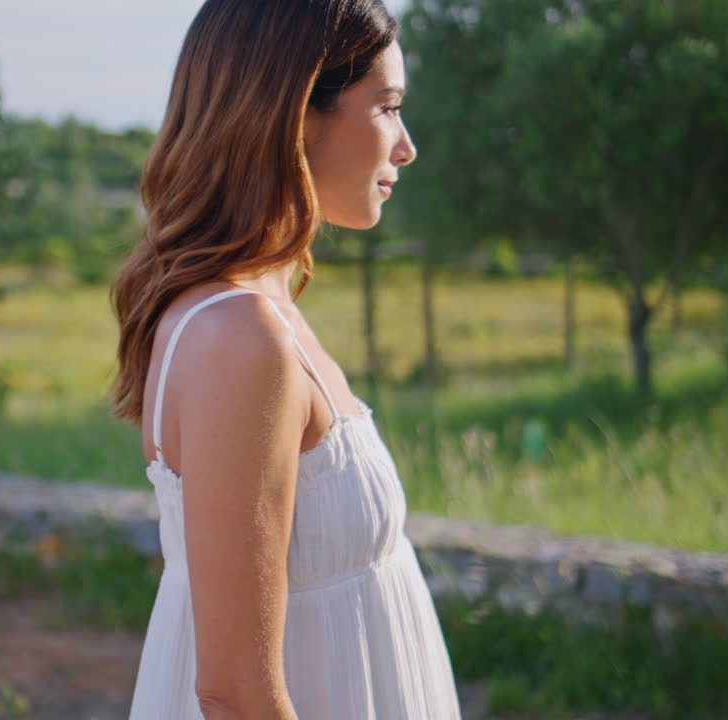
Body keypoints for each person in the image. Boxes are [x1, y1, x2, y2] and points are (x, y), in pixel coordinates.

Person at [110, 1, 461, 717]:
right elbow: (236, 693)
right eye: (388, 108)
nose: (406, 147)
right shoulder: (240, 338)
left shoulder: (263, 314)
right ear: (297, 113)